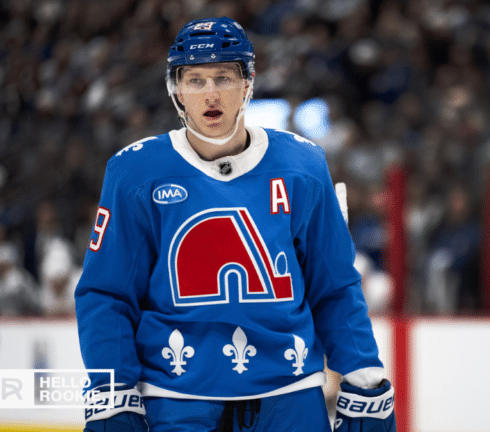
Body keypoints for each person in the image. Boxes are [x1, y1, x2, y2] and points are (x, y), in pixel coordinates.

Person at [75, 17, 395, 432]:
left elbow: (334, 285)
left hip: (290, 396)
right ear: (177, 90)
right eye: (195, 80)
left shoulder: (304, 164)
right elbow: (106, 294)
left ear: (248, 83)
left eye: (223, 77)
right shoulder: (135, 172)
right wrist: (111, 392)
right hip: (177, 401)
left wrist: (363, 375)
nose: (210, 94)